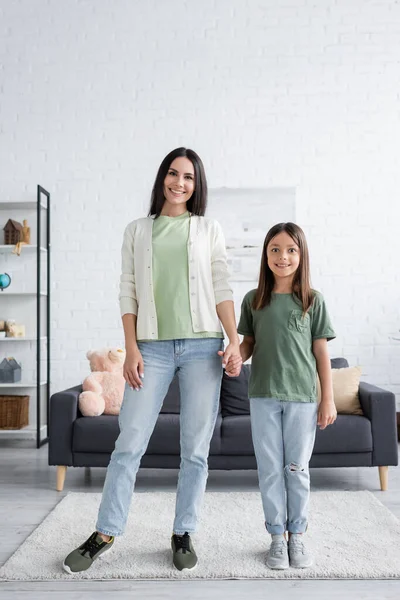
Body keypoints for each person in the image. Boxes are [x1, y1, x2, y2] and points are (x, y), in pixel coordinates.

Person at [63, 147, 242, 574]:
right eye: (174, 174)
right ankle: (105, 532)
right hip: (152, 348)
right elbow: (128, 291)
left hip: (203, 347)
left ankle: (183, 532)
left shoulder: (208, 228)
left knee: (195, 449)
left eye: (189, 178)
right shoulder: (138, 230)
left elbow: (222, 286)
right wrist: (132, 347)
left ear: (197, 185)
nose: (180, 183)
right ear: (162, 177)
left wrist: (234, 339)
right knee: (129, 442)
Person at [235, 222, 336, 570]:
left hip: (303, 399)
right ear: (265, 255)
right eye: (275, 249)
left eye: (291, 249)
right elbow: (247, 344)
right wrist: (235, 356)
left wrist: (328, 399)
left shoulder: (312, 300)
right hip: (262, 396)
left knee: (297, 468)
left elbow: (321, 354)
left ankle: (299, 535)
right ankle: (276, 537)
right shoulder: (253, 300)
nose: (283, 256)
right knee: (270, 470)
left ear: (301, 254)